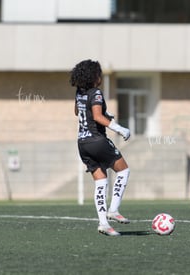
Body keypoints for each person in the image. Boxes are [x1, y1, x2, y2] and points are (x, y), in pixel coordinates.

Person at [71, 59, 131, 236]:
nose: (101, 77)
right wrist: (119, 128)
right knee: (123, 171)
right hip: (97, 140)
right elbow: (97, 117)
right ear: (94, 76)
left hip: (82, 143)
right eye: (99, 73)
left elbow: (78, 112)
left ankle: (104, 223)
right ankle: (113, 209)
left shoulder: (79, 92)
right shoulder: (96, 93)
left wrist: (104, 114)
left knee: (101, 182)